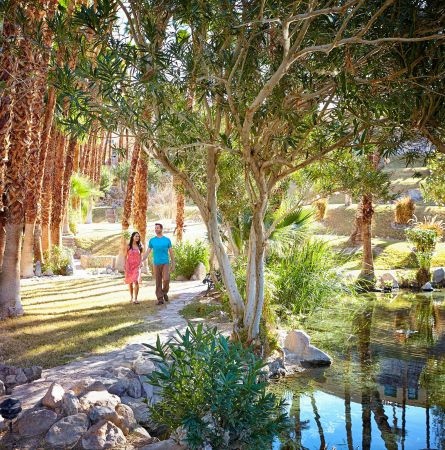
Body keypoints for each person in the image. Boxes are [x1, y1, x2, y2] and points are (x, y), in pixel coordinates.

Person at [142, 223, 175, 305]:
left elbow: (171, 253)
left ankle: (164, 292)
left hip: (165, 263)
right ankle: (160, 299)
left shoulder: (167, 240)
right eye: (155, 228)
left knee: (166, 279)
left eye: (157, 228)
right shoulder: (152, 240)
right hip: (156, 263)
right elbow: (148, 252)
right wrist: (142, 260)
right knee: (158, 281)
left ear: (161, 229)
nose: (156, 229)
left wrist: (173, 264)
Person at [125, 231, 143, 304]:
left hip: (137, 266)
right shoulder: (128, 246)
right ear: (132, 237)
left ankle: (136, 299)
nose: (137, 237)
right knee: (130, 282)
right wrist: (125, 265)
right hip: (129, 266)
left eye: (138, 236)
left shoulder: (140, 246)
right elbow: (125, 256)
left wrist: (141, 263)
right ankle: (131, 297)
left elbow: (141, 256)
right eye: (136, 236)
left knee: (136, 281)